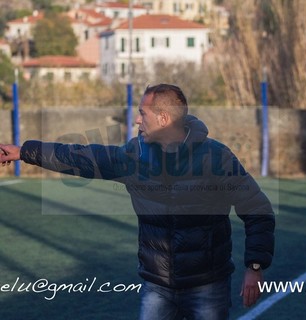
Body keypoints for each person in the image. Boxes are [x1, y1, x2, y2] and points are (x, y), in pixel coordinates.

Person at [0, 84, 275, 320]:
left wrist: (255, 266)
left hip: (208, 285)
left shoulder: (217, 157)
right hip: (157, 286)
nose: (137, 121)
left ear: (164, 118)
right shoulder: (134, 155)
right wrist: (25, 151)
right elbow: (80, 157)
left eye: (143, 114)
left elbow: (257, 208)